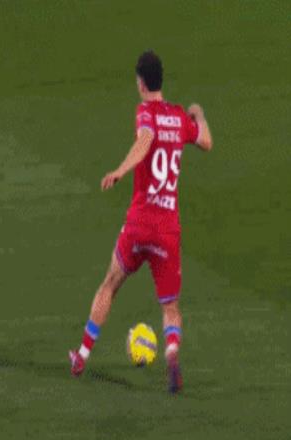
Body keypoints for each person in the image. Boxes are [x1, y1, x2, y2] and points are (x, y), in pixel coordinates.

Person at [69, 51, 212, 393]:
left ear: (141, 83)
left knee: (109, 284)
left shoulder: (145, 112)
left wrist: (121, 170)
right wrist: (199, 114)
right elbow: (206, 141)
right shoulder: (179, 118)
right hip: (167, 230)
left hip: (139, 224)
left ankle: (82, 356)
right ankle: (172, 353)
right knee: (170, 306)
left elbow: (145, 140)